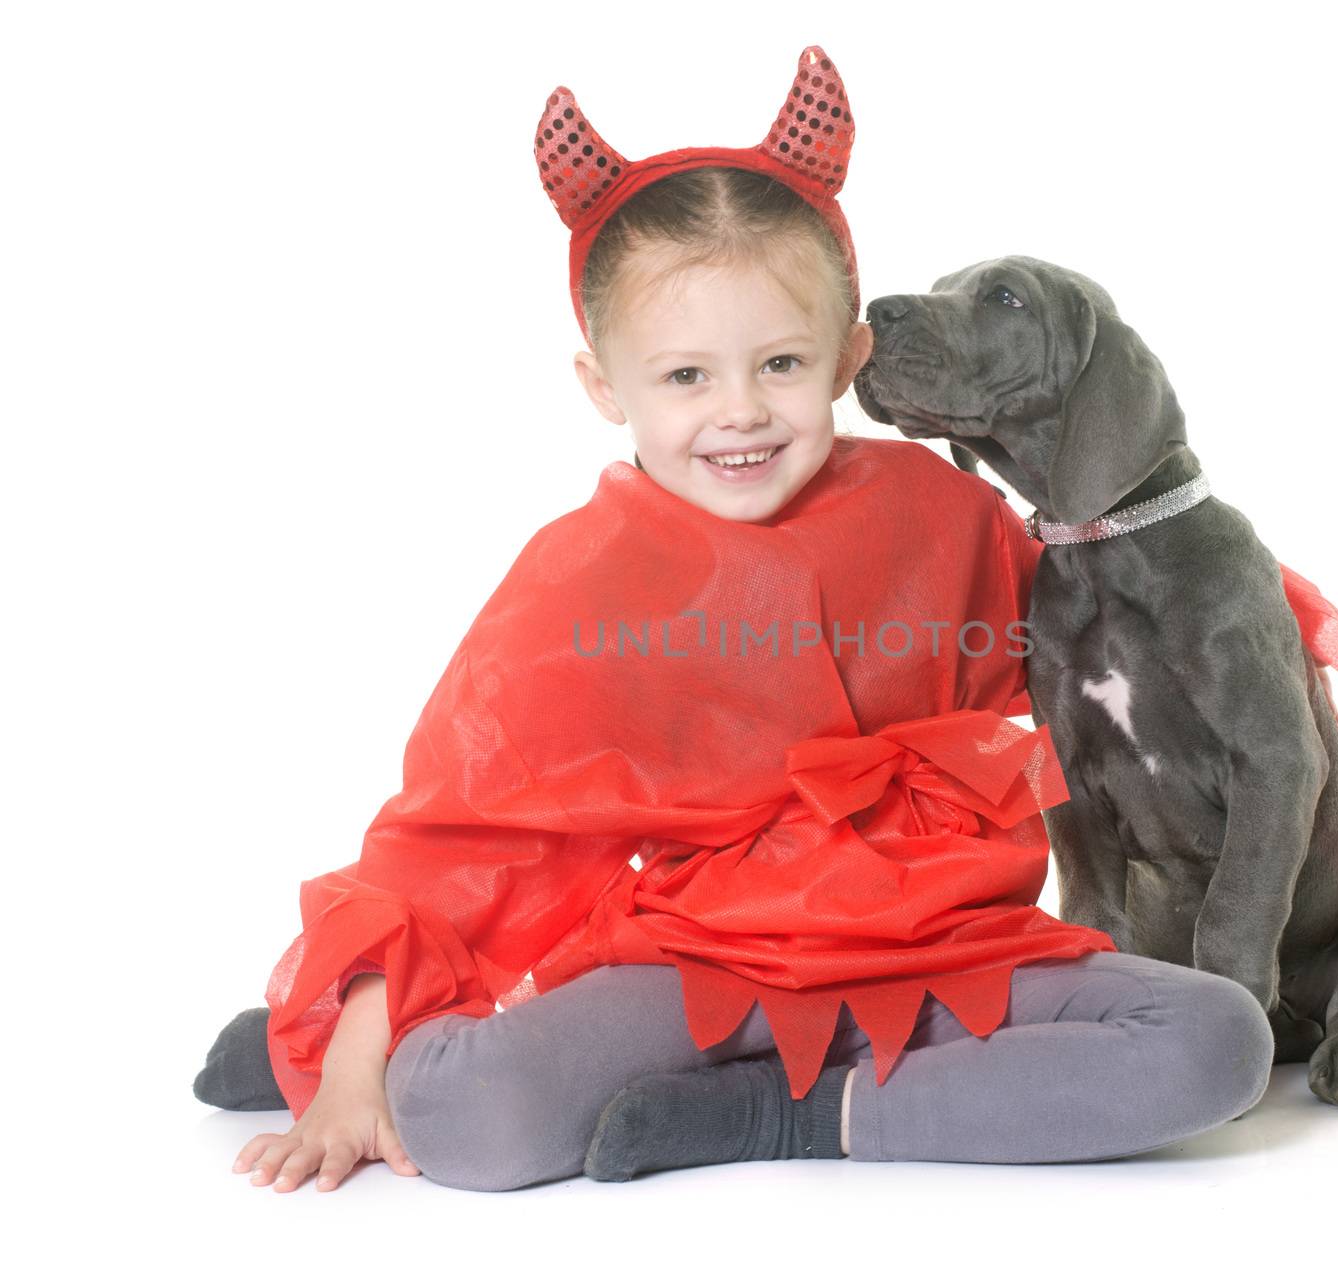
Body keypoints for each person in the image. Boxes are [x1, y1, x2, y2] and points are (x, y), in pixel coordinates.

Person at [196, 45, 1274, 1193]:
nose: (742, 413)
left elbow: (1104, 635)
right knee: (469, 1119)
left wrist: (1238, 630)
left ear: (850, 358)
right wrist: (352, 1070)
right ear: (604, 388)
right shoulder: (578, 583)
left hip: (949, 945)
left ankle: (787, 1115)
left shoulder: (947, 513)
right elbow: (454, 839)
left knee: (1217, 1044)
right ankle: (313, 1028)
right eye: (685, 378)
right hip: (707, 960)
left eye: (780, 363)